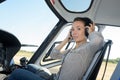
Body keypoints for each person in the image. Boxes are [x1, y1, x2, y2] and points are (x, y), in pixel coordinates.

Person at [7, 17, 104, 80]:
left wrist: (92, 32)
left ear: (87, 30)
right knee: (30, 66)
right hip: (54, 78)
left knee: (17, 72)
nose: (74, 32)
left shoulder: (88, 48)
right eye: (72, 29)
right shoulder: (71, 50)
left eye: (79, 29)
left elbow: (98, 41)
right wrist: (67, 39)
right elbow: (53, 54)